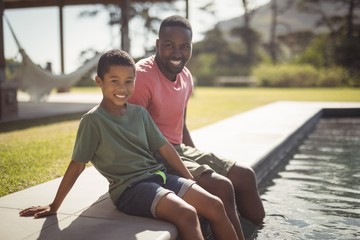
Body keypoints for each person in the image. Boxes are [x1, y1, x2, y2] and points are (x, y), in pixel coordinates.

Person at [19, 49, 240, 240]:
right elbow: (77, 165)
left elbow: (165, 148)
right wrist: (55, 205)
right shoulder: (93, 121)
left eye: (129, 80)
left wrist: (190, 179)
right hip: (131, 188)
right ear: (99, 82)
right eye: (114, 81)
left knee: (215, 205)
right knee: (187, 214)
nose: (122, 88)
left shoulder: (140, 114)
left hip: (160, 176)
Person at [128, 15, 265, 230]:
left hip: (178, 149)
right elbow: (131, 137)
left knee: (245, 175)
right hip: (151, 156)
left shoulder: (186, 76)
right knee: (221, 187)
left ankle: (261, 231)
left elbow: (180, 124)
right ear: (157, 44)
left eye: (184, 46)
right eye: (169, 45)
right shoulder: (142, 77)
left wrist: (200, 160)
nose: (177, 53)